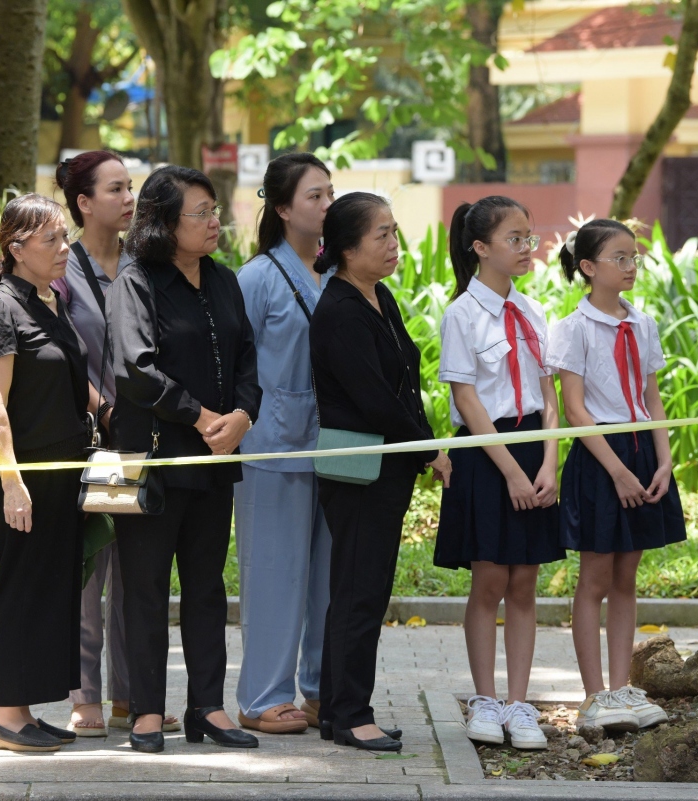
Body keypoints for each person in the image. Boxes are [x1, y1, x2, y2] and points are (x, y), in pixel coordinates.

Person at [107, 166, 261, 754]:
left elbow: (247, 357)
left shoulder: (223, 280)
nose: (214, 220)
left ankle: (208, 708)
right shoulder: (137, 279)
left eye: (214, 209)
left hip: (215, 459)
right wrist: (202, 419)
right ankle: (147, 713)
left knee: (206, 588)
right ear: (165, 223)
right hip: (148, 460)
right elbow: (135, 369)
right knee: (144, 588)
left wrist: (242, 417)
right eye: (200, 212)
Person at [310, 192, 452, 752]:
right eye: (382, 236)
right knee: (357, 592)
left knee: (363, 589)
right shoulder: (340, 310)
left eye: (395, 232)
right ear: (347, 249)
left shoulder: (379, 296)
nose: (394, 245)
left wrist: (420, 443)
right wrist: (430, 450)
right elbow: (374, 400)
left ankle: (338, 707)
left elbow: (404, 386)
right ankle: (348, 714)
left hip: (386, 468)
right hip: (360, 472)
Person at [0, 194, 108, 753]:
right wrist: (12, 482)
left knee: (53, 593)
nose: (63, 248)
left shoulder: (53, 300)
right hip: (26, 476)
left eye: (64, 237)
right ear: (16, 247)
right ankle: (4, 715)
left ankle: (23, 709)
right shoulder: (0, 307)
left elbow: (78, 382)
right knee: (21, 592)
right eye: (51, 239)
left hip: (65, 473)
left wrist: (109, 415)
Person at [50, 151, 179, 737]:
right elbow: (59, 353)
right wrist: (99, 401)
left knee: (137, 567)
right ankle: (86, 696)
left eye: (131, 188)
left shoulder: (142, 263)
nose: (129, 199)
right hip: (90, 439)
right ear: (83, 202)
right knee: (91, 568)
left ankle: (133, 695)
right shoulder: (61, 268)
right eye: (115, 189)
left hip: (139, 437)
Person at [434, 195, 563, 751]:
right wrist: (510, 471)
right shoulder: (462, 313)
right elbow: (467, 398)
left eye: (529, 237)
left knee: (525, 584)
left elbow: (550, 395)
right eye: (514, 239)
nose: (526, 248)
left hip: (535, 454)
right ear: (481, 248)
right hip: (488, 457)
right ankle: (484, 700)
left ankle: (519, 703)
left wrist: (550, 463)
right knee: (489, 581)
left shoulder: (533, 312)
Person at [549, 219, 681, 732]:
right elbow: (576, 411)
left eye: (634, 258)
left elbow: (653, 399)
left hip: (641, 451)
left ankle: (623, 688)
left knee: (627, 577)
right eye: (620, 258)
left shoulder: (642, 324)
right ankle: (593, 696)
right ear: (588, 267)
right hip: (601, 458)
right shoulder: (574, 328)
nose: (631, 267)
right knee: (596, 577)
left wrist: (663, 458)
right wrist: (619, 472)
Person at [233, 153, 335, 735]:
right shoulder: (258, 278)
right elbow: (237, 369)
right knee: (274, 571)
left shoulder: (338, 271)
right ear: (282, 208)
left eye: (329, 194)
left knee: (326, 574)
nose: (326, 205)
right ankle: (262, 696)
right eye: (314, 197)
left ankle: (320, 689)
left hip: (334, 444)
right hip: (270, 445)